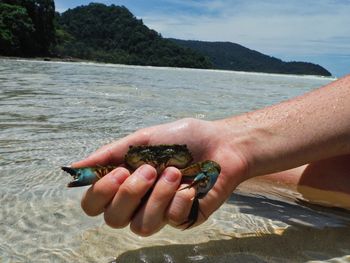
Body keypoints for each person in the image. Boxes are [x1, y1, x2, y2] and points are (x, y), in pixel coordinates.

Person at [72, 74, 350, 236]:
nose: (159, 159)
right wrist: (232, 149)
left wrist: (228, 160)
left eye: (171, 155)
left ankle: (239, 185)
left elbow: (212, 168)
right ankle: (240, 185)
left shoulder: (202, 165)